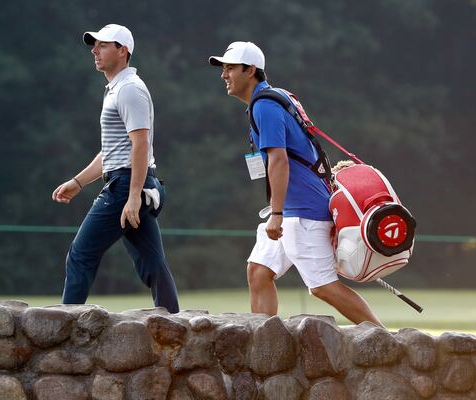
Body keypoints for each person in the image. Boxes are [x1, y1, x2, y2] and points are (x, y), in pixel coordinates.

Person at [208, 41, 383, 326]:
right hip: (292, 207)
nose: (223, 75)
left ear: (250, 70)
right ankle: (263, 347)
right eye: (223, 68)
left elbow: (279, 160)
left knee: (323, 286)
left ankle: (384, 341)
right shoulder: (272, 98)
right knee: (259, 271)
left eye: (230, 68)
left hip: (301, 210)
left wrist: (276, 213)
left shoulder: (264, 105)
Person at [52, 24, 179, 313]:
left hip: (125, 185)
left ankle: (63, 324)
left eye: (103, 45)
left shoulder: (130, 89)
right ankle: (173, 320)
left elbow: (140, 144)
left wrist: (133, 196)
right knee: (152, 263)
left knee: (80, 254)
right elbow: (113, 151)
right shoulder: (117, 89)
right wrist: (79, 181)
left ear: (123, 51)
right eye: (94, 45)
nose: (95, 50)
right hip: (131, 181)